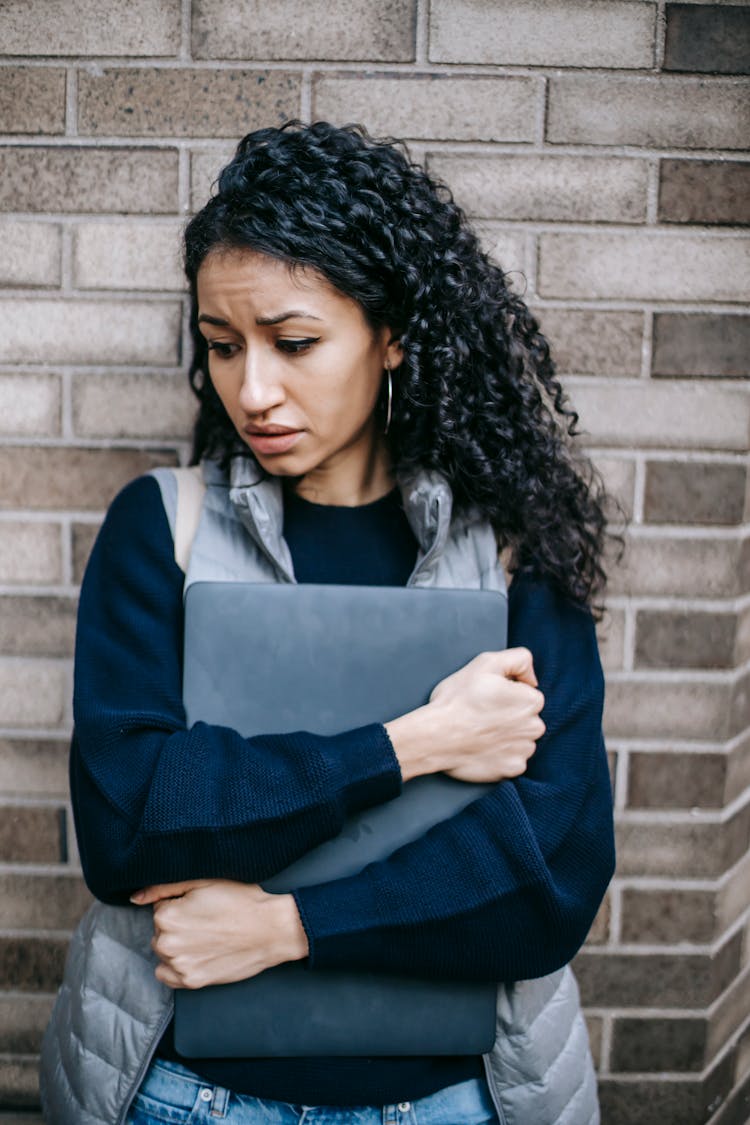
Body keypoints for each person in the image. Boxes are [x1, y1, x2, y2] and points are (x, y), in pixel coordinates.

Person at [40, 121, 615, 1125]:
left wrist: (286, 925)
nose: (252, 389)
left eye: (294, 342)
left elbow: (545, 888)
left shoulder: (510, 549)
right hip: (184, 1094)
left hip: (454, 1099)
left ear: (392, 334)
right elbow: (130, 831)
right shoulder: (163, 530)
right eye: (223, 347)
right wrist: (417, 743)